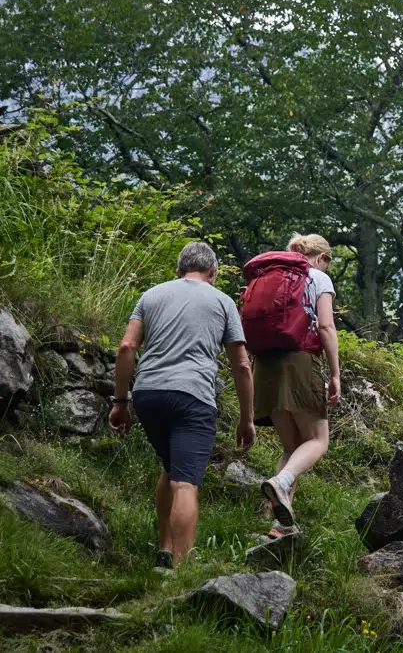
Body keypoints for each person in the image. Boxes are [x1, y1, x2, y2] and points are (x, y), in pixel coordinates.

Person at [109, 242, 255, 570]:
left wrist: (121, 402)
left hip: (148, 395)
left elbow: (127, 346)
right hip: (193, 398)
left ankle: (164, 548)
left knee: (171, 467)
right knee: (186, 481)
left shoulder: (152, 295)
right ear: (213, 273)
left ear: (178, 270)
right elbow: (242, 366)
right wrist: (247, 419)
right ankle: (179, 570)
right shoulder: (223, 301)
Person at [256, 234, 341, 537]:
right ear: (321, 258)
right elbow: (326, 327)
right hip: (300, 360)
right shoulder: (317, 276)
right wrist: (335, 373)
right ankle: (280, 482)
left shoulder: (273, 275)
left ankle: (281, 524)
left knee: (293, 447)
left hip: (264, 364)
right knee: (319, 440)